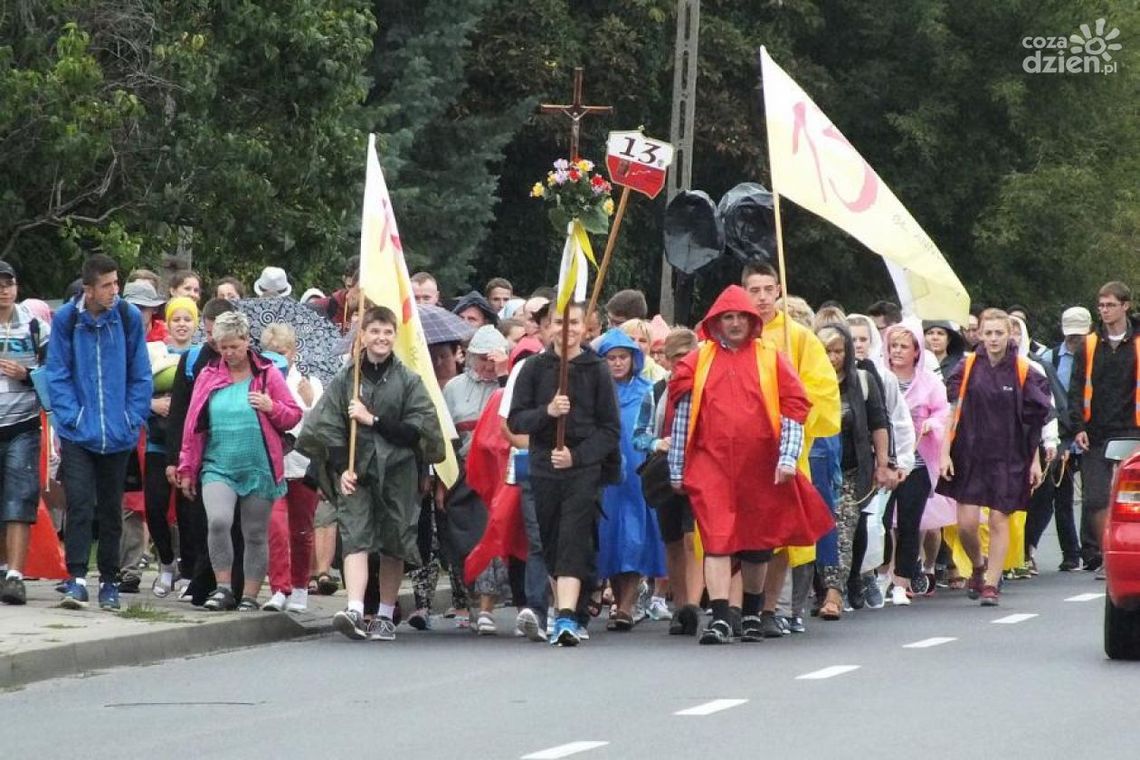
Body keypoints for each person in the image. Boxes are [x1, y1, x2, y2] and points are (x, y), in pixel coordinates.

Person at [668, 286, 832, 644]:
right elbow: (680, 417)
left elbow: (793, 411)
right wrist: (676, 467)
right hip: (710, 466)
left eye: (742, 316)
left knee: (758, 543)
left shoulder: (772, 358)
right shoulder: (697, 361)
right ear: (716, 322)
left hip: (762, 467)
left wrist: (788, 457)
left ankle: (754, 614)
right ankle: (722, 617)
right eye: (728, 317)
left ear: (753, 320)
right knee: (717, 540)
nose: (736, 323)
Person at [298, 306, 445, 641]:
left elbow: (417, 430)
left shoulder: (409, 380)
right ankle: (353, 607)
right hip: (357, 473)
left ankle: (383, 615)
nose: (381, 338)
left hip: (397, 473)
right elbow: (327, 427)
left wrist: (372, 420)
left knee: (394, 541)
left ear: (395, 336)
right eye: (374, 331)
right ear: (362, 336)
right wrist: (341, 468)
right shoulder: (346, 380)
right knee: (355, 535)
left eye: (387, 332)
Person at [508, 302, 621, 647]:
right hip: (544, 465)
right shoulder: (533, 369)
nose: (566, 328)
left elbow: (609, 429)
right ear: (545, 327)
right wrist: (548, 411)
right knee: (552, 538)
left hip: (583, 467)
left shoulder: (596, 369)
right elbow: (517, 420)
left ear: (585, 327)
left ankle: (568, 617)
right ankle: (565, 608)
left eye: (573, 322)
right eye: (559, 322)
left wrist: (577, 456)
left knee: (574, 536)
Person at [176, 312, 300, 610]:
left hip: (258, 466)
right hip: (218, 463)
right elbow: (193, 425)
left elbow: (293, 414)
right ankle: (223, 588)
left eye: (234, 346)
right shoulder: (208, 375)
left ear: (247, 341)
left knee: (255, 532)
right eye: (223, 347)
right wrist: (186, 467)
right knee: (218, 521)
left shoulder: (267, 374)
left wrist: (271, 406)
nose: (229, 353)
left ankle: (250, 595)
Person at [48, 254, 152, 610]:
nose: (115, 290)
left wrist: (131, 417)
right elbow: (57, 373)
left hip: (118, 432)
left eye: (116, 282)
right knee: (79, 504)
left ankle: (109, 580)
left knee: (111, 509)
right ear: (88, 289)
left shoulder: (127, 317)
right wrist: (72, 418)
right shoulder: (66, 319)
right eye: (107, 285)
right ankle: (76, 578)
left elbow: (141, 373)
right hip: (79, 431)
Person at [743, 264, 840, 636]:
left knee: (780, 532)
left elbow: (823, 390)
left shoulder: (797, 337)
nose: (763, 298)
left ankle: (771, 609)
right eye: (755, 290)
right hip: (743, 447)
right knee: (741, 531)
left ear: (779, 290)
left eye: (769, 289)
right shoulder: (735, 333)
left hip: (786, 445)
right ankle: (738, 607)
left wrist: (792, 404)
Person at [938, 308, 1051, 605]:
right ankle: (978, 564)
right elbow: (952, 412)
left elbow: (1035, 421)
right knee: (966, 524)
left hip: (1009, 455)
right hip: (970, 451)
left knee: (1001, 519)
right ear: (979, 335)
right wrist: (944, 453)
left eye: (999, 332)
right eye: (987, 333)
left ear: (1010, 334)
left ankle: (991, 583)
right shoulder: (967, 366)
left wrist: (1035, 460)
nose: (993, 338)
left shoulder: (1024, 370)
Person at [165, 297, 241, 605]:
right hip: (199, 450)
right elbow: (180, 413)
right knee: (199, 518)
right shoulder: (195, 358)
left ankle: (227, 583)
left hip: (233, 450)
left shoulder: (247, 361)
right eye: (208, 332)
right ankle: (200, 577)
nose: (213, 340)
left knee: (229, 522)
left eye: (218, 333)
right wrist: (175, 460)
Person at [814, 325, 891, 620]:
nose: (832, 357)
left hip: (850, 471)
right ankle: (817, 591)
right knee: (815, 532)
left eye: (837, 351)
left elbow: (878, 423)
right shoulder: (807, 380)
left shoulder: (862, 381)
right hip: (815, 468)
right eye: (825, 351)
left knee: (842, 530)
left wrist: (883, 463)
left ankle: (834, 594)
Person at [1067, 282, 1140, 577]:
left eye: (1110, 305)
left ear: (1125, 306)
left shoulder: (1137, 342)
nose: (1105, 310)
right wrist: (1077, 426)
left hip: (1133, 430)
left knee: (1131, 500)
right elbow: (1075, 387)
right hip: (1095, 431)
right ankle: (1107, 554)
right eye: (1101, 305)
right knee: (1096, 498)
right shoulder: (1089, 344)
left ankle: (1131, 554)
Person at [633, 327, 703, 633]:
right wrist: (655, 443)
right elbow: (639, 436)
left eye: (687, 357)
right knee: (673, 540)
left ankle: (693, 606)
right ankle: (681, 606)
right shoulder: (657, 391)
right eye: (675, 358)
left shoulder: (707, 387)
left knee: (694, 539)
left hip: (701, 470)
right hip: (666, 470)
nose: (681, 364)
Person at [596, 329, 666, 630]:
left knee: (635, 535)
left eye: (623, 357)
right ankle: (619, 598)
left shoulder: (647, 390)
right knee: (609, 536)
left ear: (634, 358)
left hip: (637, 473)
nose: (617, 363)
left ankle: (626, 604)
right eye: (611, 358)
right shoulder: (596, 392)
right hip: (606, 472)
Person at [442, 325, 510, 633]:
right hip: (464, 472)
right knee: (464, 538)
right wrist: (442, 481)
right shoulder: (454, 388)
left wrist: (505, 374)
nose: (485, 365)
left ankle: (487, 605)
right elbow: (445, 437)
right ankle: (469, 596)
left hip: (500, 473)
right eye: (480, 358)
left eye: (491, 359)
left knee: (491, 538)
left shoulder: (509, 387)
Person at [880, 321, 950, 605]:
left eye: (903, 346)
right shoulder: (879, 377)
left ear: (916, 351)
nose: (897, 351)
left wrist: (932, 423)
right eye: (893, 345)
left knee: (910, 523)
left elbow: (945, 411)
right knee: (881, 522)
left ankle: (902, 581)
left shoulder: (929, 382)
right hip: (884, 462)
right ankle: (879, 575)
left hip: (917, 463)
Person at [259, 324, 323, 612]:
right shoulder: (258, 381)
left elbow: (320, 424)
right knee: (275, 527)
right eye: (270, 353)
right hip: (272, 467)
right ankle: (279, 587)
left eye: (282, 353)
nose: (277, 359)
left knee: (301, 529)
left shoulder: (309, 382)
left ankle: (300, 586)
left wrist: (311, 401)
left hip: (302, 466)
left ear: (294, 353)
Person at [0, 261, 50, 605]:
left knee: (19, 498)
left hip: (23, 423)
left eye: (8, 283)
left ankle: (16, 576)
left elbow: (53, 373)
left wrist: (26, 374)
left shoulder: (35, 326)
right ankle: (3, 568)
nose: (3, 290)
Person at [1026, 306, 1090, 571]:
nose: (1075, 340)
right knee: (1060, 497)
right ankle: (1070, 554)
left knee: (1092, 497)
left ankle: (1092, 551)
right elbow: (1052, 401)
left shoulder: (1096, 357)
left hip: (1089, 434)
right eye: (1071, 335)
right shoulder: (1049, 358)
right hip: (1061, 436)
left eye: (1080, 335)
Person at [145, 297, 199, 598]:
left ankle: (189, 571)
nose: (181, 324)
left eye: (187, 319)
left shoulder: (201, 355)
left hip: (189, 445)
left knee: (188, 510)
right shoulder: (153, 352)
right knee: (154, 506)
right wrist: (154, 404)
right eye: (176, 318)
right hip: (157, 440)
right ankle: (165, 563)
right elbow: (136, 388)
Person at [314, 256, 360, 334]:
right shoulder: (324, 306)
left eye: (358, 290)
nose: (349, 294)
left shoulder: (375, 312)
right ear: (343, 279)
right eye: (349, 286)